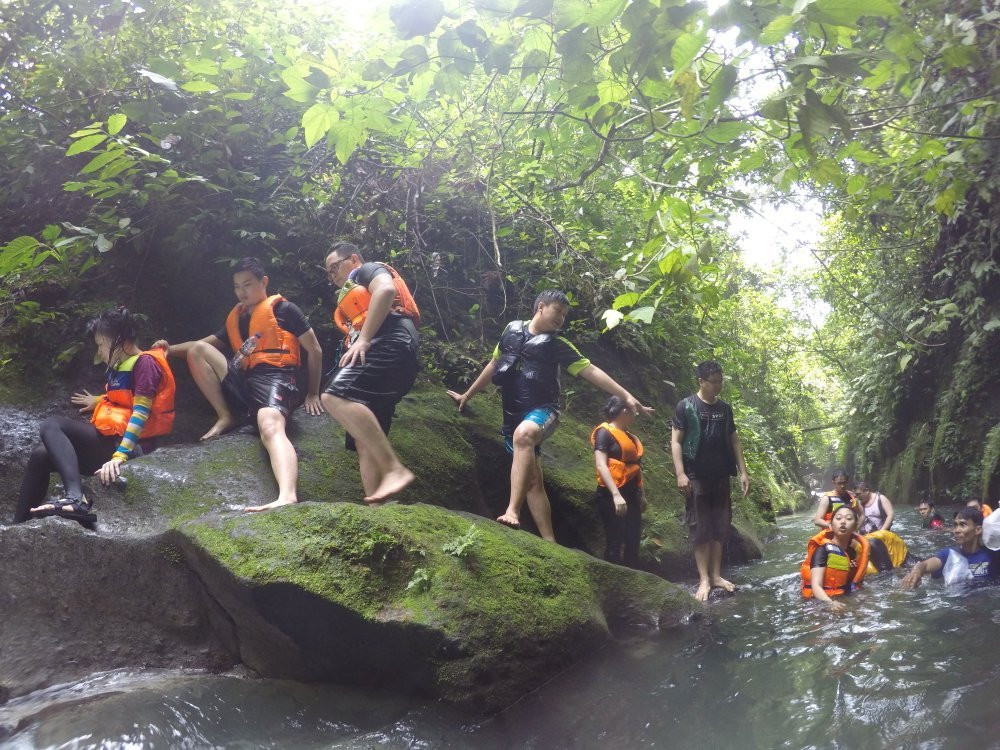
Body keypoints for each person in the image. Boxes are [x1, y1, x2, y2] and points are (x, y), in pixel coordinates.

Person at [447, 290, 653, 541]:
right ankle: (549, 541)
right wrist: (467, 395)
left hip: (545, 411)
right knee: (532, 479)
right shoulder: (511, 330)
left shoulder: (557, 344)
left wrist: (627, 396)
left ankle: (513, 511)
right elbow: (494, 364)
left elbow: (591, 370)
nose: (561, 319)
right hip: (512, 414)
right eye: (558, 311)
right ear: (541, 307)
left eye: (565, 315)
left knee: (524, 435)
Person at [156, 257, 323, 512]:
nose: (241, 292)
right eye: (237, 286)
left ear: (263, 282)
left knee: (269, 426)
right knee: (198, 350)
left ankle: (287, 495)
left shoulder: (286, 310)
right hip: (245, 382)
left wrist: (313, 393)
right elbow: (200, 346)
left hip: (277, 379)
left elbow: (315, 349)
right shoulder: (239, 316)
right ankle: (226, 416)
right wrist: (166, 350)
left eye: (247, 284)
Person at [14, 308, 176, 526]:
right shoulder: (125, 364)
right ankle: (17, 526)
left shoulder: (145, 364)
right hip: (113, 443)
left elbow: (140, 413)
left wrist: (119, 457)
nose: (99, 352)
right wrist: (99, 400)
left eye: (101, 344)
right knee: (41, 455)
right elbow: (125, 399)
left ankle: (75, 498)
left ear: (119, 339)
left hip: (131, 447)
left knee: (52, 425)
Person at [321, 242, 420, 504]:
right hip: (398, 349)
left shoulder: (366, 270)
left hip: (391, 340)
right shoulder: (352, 290)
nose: (333, 276)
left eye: (335, 267)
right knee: (363, 436)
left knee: (334, 396)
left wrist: (363, 339)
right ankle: (377, 504)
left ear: (353, 259)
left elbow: (386, 290)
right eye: (328, 273)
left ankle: (394, 469)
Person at [670, 361, 750, 602]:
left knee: (720, 527)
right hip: (696, 476)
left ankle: (716, 576)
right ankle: (704, 579)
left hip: (721, 475)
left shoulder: (725, 409)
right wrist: (680, 473)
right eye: (714, 382)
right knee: (700, 528)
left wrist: (743, 472)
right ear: (701, 382)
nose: (718, 386)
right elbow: (676, 442)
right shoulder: (686, 406)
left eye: (720, 381)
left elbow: (735, 441)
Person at [591, 396, 647, 568]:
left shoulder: (629, 436)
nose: (636, 415)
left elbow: (635, 467)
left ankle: (633, 581)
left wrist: (642, 495)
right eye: (634, 411)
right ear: (624, 411)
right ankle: (613, 583)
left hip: (631, 494)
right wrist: (616, 495)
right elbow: (601, 464)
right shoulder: (604, 432)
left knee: (633, 539)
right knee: (615, 540)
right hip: (610, 495)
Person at [901, 508, 1000, 588]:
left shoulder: (993, 555)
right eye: (955, 525)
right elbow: (925, 565)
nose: (956, 530)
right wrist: (917, 570)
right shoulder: (948, 555)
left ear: (978, 530)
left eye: (962, 525)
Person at [801, 504, 870, 611]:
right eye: (838, 518)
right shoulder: (822, 550)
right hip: (816, 603)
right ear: (831, 525)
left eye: (848, 519)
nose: (843, 522)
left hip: (840, 596)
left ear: (855, 526)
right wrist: (830, 603)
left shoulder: (850, 554)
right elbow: (816, 586)